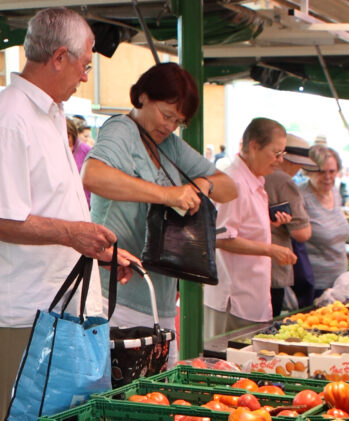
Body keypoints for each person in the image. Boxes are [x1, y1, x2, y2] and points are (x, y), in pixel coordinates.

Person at [0, 8, 136, 421]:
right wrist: (70, 234)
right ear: (59, 57)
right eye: (85, 64)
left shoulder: (50, 114)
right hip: (23, 311)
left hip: (54, 309)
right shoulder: (7, 119)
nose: (85, 76)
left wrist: (92, 243)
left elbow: (47, 206)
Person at [84, 62, 238, 333]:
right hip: (115, 298)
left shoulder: (169, 145)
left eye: (178, 122)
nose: (169, 126)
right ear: (143, 96)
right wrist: (168, 195)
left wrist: (203, 184)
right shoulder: (122, 129)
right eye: (166, 115)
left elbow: (229, 187)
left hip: (159, 300)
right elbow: (93, 176)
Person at [205, 118, 296, 339]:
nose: (279, 161)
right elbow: (222, 237)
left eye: (282, 154)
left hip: (250, 297)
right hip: (234, 299)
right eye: (276, 154)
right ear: (254, 146)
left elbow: (241, 225)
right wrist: (271, 250)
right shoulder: (235, 181)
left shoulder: (254, 179)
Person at [265, 134, 315, 314]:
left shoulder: (257, 174)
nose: (299, 168)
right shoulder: (283, 180)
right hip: (274, 266)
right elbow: (302, 233)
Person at [301, 144, 349, 297]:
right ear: (309, 171)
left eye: (332, 171)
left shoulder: (335, 193)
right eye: (321, 172)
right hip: (315, 286)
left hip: (340, 281)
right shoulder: (301, 197)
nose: (328, 177)